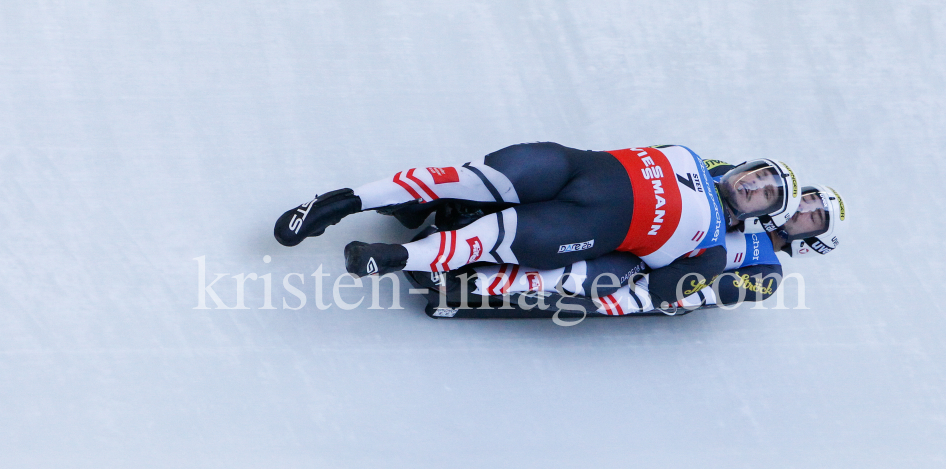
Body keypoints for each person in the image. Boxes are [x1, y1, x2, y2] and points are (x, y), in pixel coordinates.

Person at [273, 142, 802, 305]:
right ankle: (339, 203)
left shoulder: (710, 247)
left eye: (766, 195)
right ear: (743, 166)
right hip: (569, 167)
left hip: (586, 224)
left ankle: (393, 258)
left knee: (500, 234)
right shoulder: (687, 151)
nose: (755, 185)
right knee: (476, 179)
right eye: (759, 175)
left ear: (759, 216)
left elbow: (664, 288)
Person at [406, 184, 848, 316]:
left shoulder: (767, 272)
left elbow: (700, 291)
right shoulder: (754, 194)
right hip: (646, 226)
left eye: (814, 217)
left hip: (651, 269)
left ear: (809, 243)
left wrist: (652, 288)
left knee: (595, 278)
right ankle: (456, 201)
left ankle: (469, 283)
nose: (804, 209)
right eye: (807, 200)